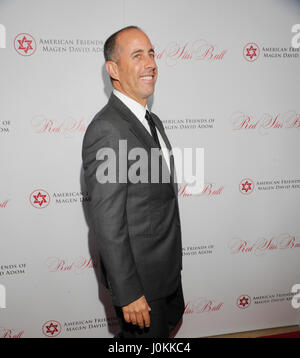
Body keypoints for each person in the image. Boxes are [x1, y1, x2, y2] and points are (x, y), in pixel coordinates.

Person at [82, 26, 184, 338]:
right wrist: (128, 293)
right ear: (113, 69)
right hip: (139, 286)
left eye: (151, 54)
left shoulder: (152, 121)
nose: (150, 63)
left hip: (164, 275)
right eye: (137, 55)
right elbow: (107, 221)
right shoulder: (108, 130)